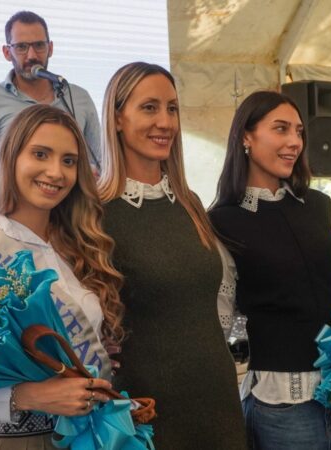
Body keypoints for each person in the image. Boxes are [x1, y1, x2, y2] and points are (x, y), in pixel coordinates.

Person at [209, 91, 331, 449]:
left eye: (299, 131)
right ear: (245, 136)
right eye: (281, 129)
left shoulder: (319, 205)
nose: (295, 142)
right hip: (280, 405)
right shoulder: (222, 221)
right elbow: (218, 323)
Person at [0, 104, 122, 449]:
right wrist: (28, 396)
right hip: (26, 441)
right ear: (10, 157)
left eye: (69, 161)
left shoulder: (79, 247)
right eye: (40, 154)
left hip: (96, 433)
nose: (56, 172)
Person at [97, 62, 247, 449]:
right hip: (147, 410)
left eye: (172, 108)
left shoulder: (189, 202)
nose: (165, 122)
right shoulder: (94, 212)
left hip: (217, 400)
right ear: (117, 117)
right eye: (149, 107)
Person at [0, 11, 101, 203]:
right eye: (21, 47)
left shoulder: (78, 97)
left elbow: (100, 161)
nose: (32, 55)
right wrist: (10, 202)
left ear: (50, 48)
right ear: (7, 52)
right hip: (18, 216)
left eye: (39, 45)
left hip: (75, 213)